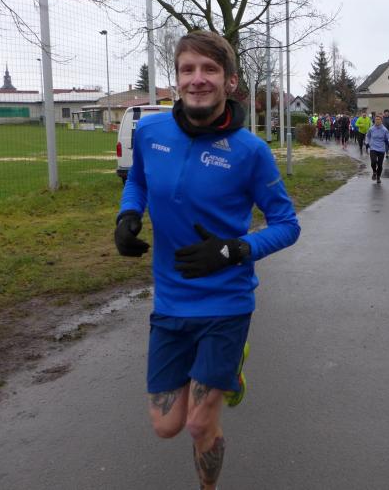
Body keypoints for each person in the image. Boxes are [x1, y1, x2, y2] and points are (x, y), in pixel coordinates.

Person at [114, 30, 300, 490]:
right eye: (187, 69)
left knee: (199, 424)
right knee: (166, 425)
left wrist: (236, 249)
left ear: (230, 81)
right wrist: (128, 214)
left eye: (209, 69)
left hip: (226, 301)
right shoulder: (151, 132)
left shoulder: (251, 152)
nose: (197, 79)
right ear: (177, 78)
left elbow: (287, 224)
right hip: (171, 299)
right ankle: (228, 369)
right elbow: (137, 180)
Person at [365, 114, 389, 184]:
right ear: (374, 120)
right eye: (376, 119)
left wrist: (388, 141)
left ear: (381, 121)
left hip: (381, 149)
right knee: (373, 162)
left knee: (380, 165)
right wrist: (367, 143)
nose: (377, 121)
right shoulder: (371, 129)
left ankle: (378, 177)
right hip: (373, 147)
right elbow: (367, 136)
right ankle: (374, 171)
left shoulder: (384, 130)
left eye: (378, 119)